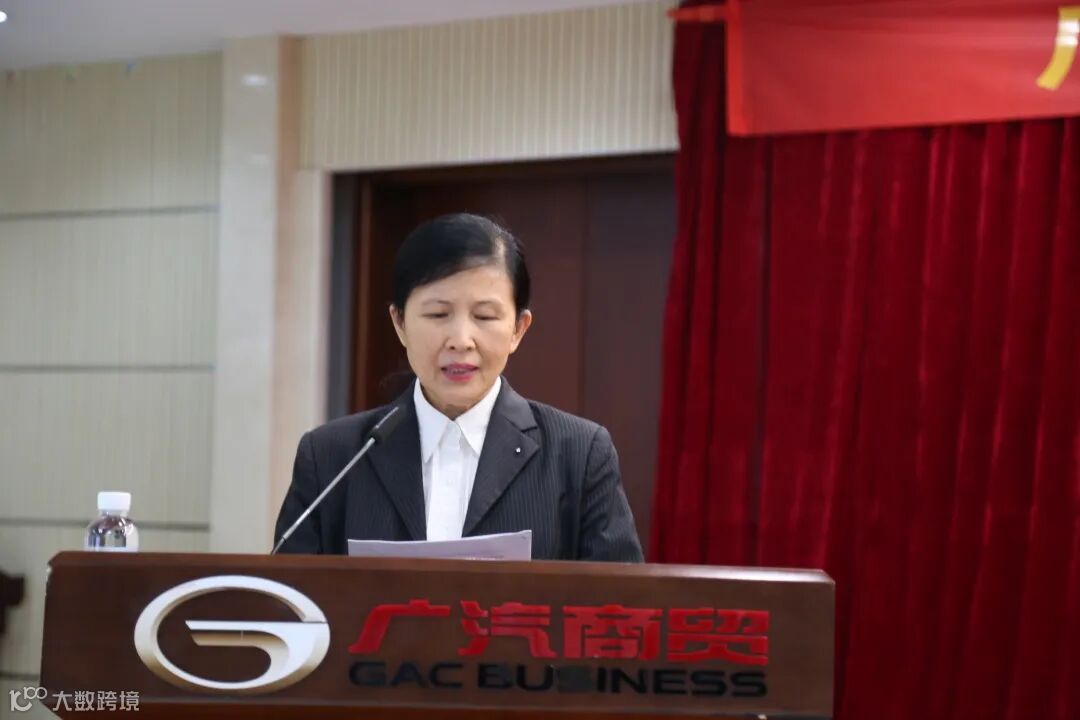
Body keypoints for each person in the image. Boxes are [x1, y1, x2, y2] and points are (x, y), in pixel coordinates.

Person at [273, 213, 643, 561]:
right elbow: (286, 596)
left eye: (484, 316)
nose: (461, 340)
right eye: (438, 314)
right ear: (399, 323)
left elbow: (619, 598)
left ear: (518, 329)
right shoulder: (332, 457)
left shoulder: (579, 454)